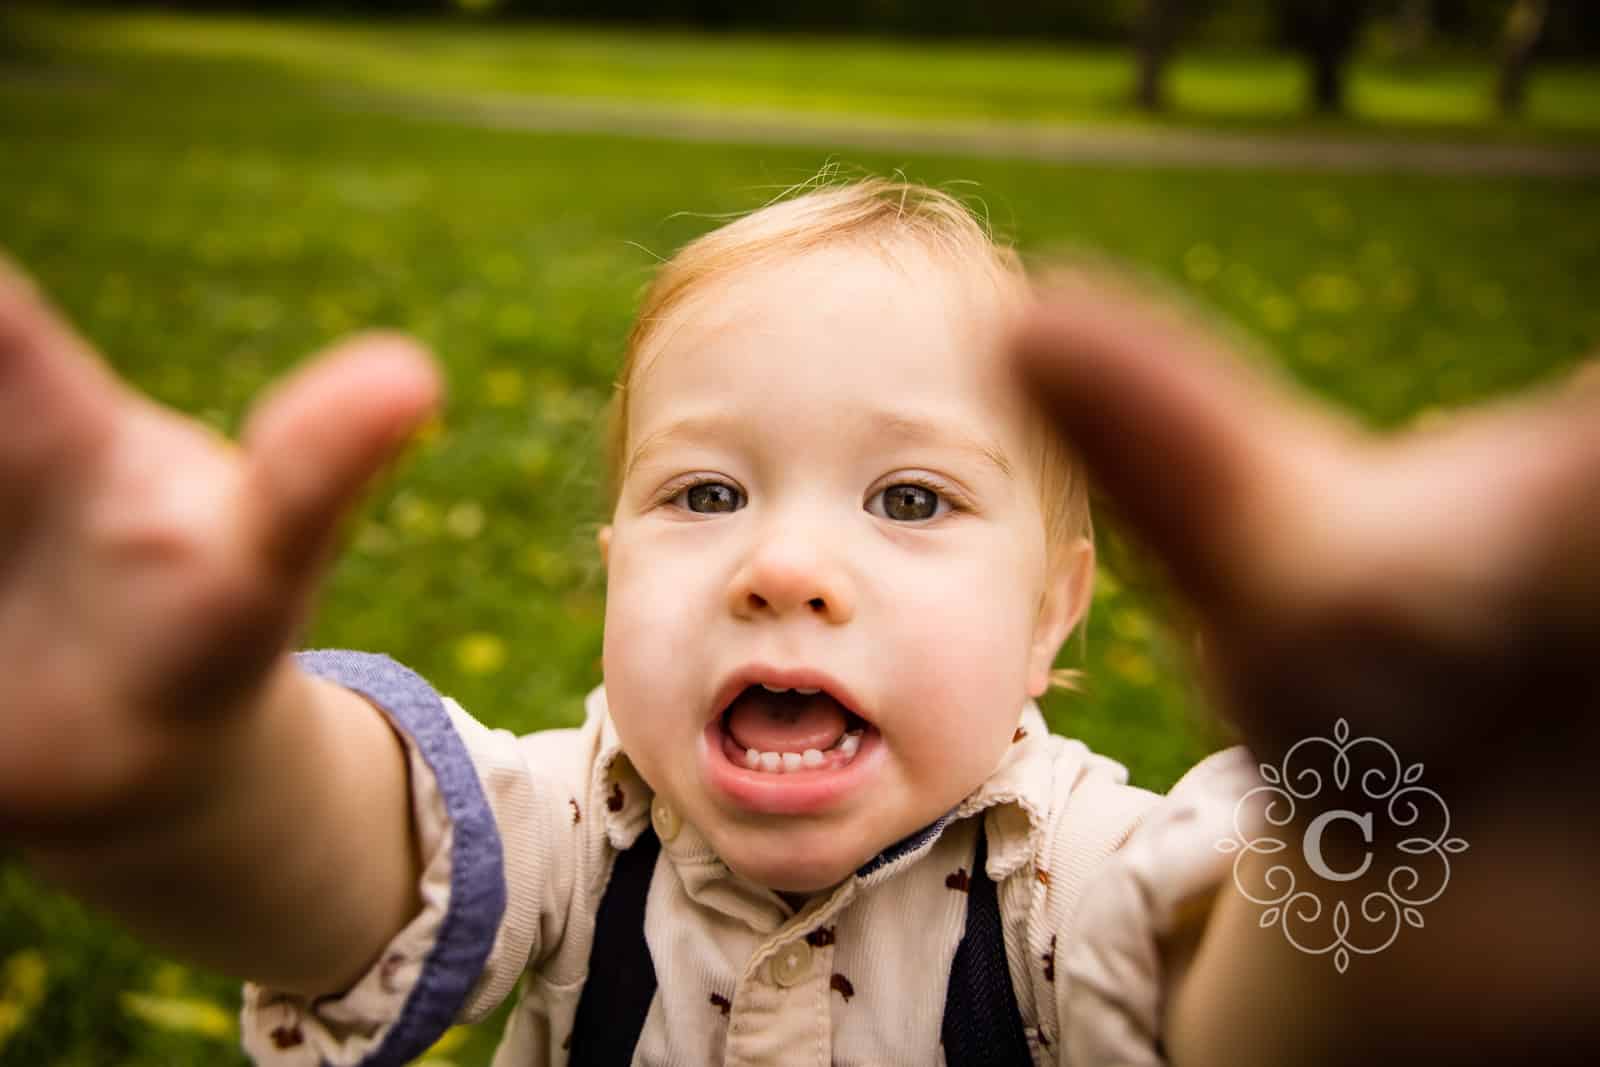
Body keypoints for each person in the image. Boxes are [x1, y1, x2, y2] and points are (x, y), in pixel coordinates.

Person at [1, 177, 1596, 1067]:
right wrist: (193, 782)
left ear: (1054, 615)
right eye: (706, 497)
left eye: (909, 502)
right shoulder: (578, 829)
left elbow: (1246, 1011)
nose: (784, 569)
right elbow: (352, 873)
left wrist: (1387, 854)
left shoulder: (1077, 884)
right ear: (611, 556)